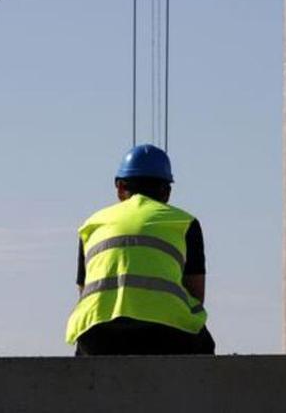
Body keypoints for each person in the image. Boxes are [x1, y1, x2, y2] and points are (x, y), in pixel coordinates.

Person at [66, 144, 216, 355]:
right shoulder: (184, 223)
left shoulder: (92, 225)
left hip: (99, 336)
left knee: (85, 352)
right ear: (167, 192)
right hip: (165, 334)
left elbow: (85, 293)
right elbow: (197, 295)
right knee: (203, 346)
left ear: (119, 187)